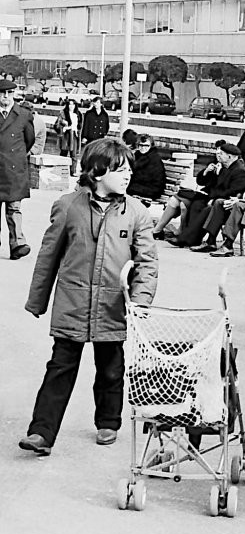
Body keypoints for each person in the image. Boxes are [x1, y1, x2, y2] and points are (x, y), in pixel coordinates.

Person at [18, 138, 158, 456]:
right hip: (73, 303)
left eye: (129, 170)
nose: (127, 176)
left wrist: (140, 301)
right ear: (96, 172)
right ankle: (41, 431)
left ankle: (108, 421)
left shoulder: (135, 212)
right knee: (60, 366)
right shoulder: (69, 206)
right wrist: (37, 300)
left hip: (114, 307)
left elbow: (148, 263)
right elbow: (48, 257)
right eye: (119, 170)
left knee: (111, 368)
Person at [152, 142, 245, 242]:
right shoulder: (221, 165)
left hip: (221, 202)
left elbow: (231, 191)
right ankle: (180, 235)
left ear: (229, 156)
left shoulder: (239, 171)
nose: (218, 155)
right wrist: (207, 171)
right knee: (184, 202)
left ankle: (187, 238)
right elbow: (201, 182)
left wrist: (212, 197)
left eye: (221, 154)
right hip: (207, 196)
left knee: (197, 206)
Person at [0, 78, 36, 260]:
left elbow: (29, 140)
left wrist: (17, 157)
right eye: (2, 93)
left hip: (14, 170)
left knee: (14, 209)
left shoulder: (23, 114)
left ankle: (18, 244)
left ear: (14, 94)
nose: (5, 97)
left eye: (9, 93)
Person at [127, 134, 167, 202]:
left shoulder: (154, 158)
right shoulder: (137, 155)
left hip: (152, 188)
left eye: (146, 145)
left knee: (127, 188)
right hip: (140, 185)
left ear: (151, 146)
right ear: (138, 145)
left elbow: (147, 177)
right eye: (141, 145)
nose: (143, 148)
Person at [54, 101, 82, 175]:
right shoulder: (63, 114)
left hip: (74, 135)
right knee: (64, 153)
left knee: (74, 155)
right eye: (70, 104)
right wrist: (64, 127)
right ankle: (61, 170)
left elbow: (80, 126)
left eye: (73, 104)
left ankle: (73, 171)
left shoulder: (78, 114)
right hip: (66, 136)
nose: (71, 106)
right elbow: (57, 125)